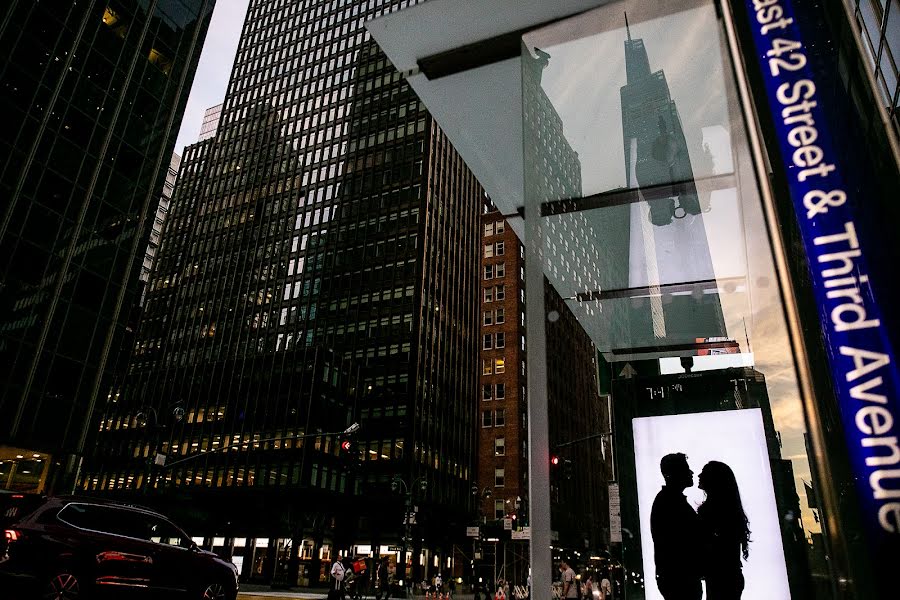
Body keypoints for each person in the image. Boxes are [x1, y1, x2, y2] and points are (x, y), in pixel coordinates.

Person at [650, 453, 701, 600]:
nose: (691, 473)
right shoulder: (670, 502)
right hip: (681, 578)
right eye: (686, 469)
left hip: (678, 577)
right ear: (673, 474)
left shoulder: (669, 500)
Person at [698, 461, 751, 600]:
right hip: (728, 576)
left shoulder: (712, 512)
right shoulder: (729, 510)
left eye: (703, 473)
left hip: (721, 577)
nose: (699, 475)